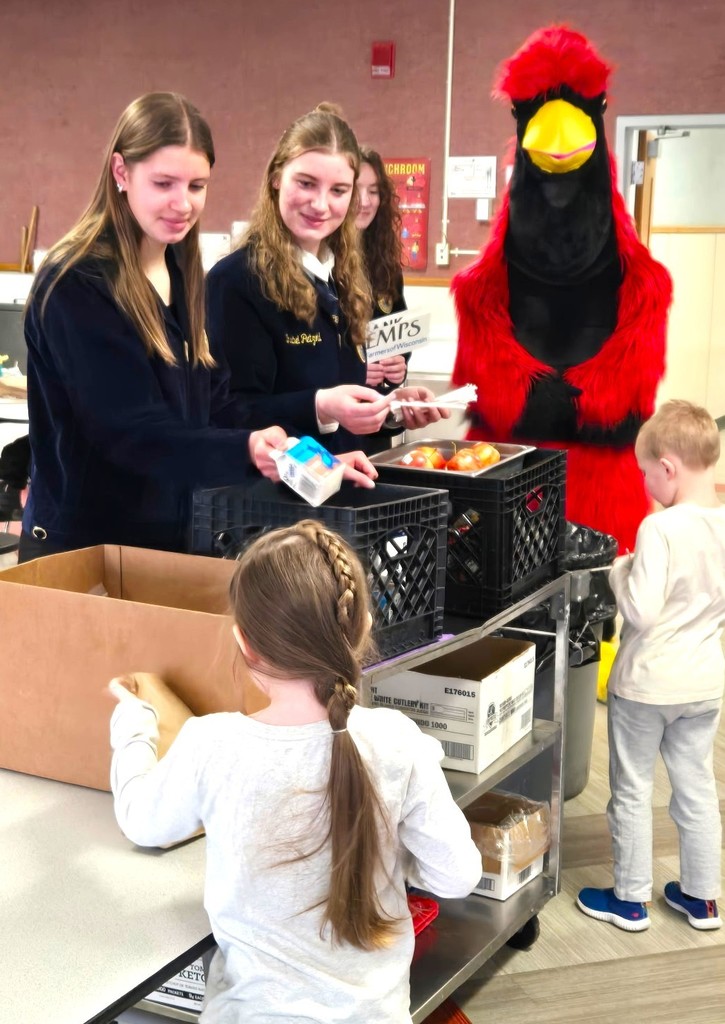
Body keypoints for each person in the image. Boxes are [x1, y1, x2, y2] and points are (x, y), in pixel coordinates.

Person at [108, 519, 482, 1023]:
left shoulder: (212, 743)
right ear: (363, 626)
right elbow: (458, 876)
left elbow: (141, 820)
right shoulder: (397, 741)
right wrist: (393, 857)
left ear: (245, 643)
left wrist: (134, 724)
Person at [20, 93, 376, 561]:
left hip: (169, 541)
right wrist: (247, 449)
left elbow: (217, 404)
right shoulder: (77, 281)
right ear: (121, 172)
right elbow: (130, 432)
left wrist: (311, 463)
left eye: (196, 186)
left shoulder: (180, 269)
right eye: (163, 183)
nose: (182, 203)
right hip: (86, 548)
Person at [206, 104, 447, 455]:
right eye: (306, 183)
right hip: (278, 487)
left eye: (338, 190)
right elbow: (229, 413)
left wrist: (389, 408)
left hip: (346, 478)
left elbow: (344, 398)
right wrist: (320, 406)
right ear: (276, 178)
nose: (321, 205)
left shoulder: (344, 277)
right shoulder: (236, 281)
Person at [577, 400, 724, 932]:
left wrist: (621, 569)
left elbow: (639, 611)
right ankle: (702, 899)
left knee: (633, 789)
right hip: (703, 684)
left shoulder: (659, 529)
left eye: (645, 473)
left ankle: (630, 899)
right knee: (697, 788)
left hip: (646, 687)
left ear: (668, 467)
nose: (644, 483)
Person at [356, 146, 410, 453]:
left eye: (374, 191)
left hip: (377, 423)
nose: (364, 202)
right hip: (327, 433)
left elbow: (399, 334)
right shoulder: (317, 262)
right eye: (354, 190)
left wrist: (398, 365)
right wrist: (353, 370)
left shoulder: (385, 265)